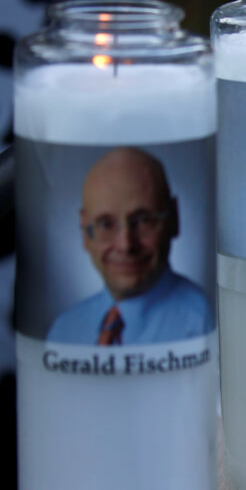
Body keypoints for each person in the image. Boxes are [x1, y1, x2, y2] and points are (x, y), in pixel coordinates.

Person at [48, 147, 213, 345]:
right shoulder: (64, 331)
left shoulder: (205, 324)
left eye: (144, 221)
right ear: (85, 231)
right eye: (105, 224)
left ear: (174, 219)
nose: (125, 245)